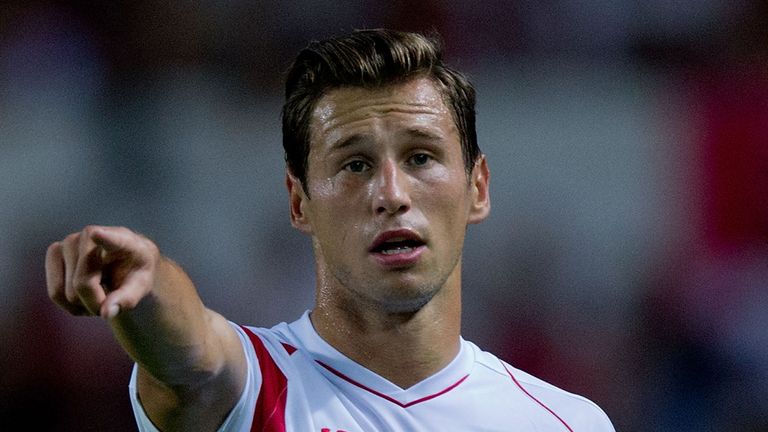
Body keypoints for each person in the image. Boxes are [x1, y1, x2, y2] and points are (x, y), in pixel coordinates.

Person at [45, 29, 615, 431]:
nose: (391, 194)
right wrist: (147, 284)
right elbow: (193, 355)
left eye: (420, 157)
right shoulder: (254, 388)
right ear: (299, 204)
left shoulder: (567, 422)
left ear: (478, 188)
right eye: (354, 165)